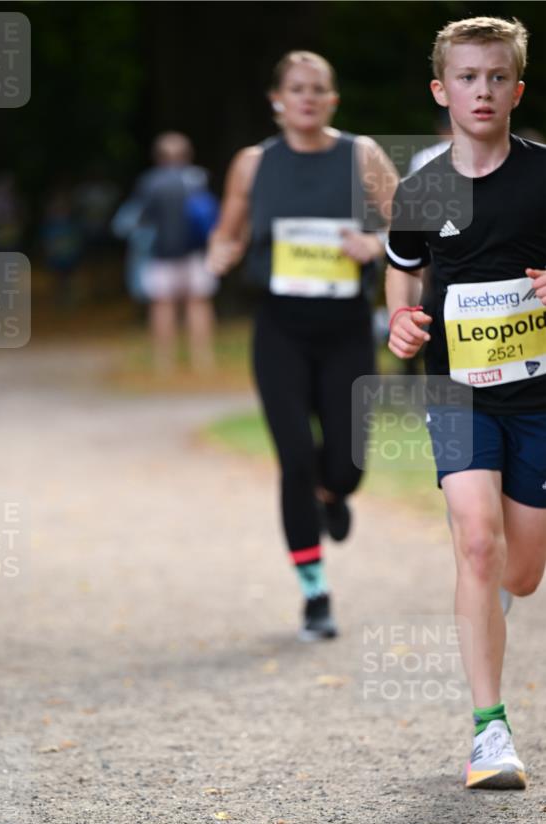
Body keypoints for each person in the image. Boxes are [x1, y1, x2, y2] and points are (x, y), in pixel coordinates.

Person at [386, 16, 546, 789]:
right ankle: (489, 734)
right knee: (475, 543)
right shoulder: (422, 187)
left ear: (516, 88)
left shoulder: (544, 175)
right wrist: (401, 318)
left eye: (495, 78)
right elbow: (402, 267)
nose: (480, 90)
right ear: (440, 89)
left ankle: (496, 606)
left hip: (538, 397)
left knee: (520, 572)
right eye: (466, 77)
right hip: (456, 395)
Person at [207, 51, 398, 640]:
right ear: (277, 100)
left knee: (346, 466)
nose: (308, 98)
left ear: (333, 100)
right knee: (294, 459)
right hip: (280, 330)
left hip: (345, 329)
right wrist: (220, 253)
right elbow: (228, 232)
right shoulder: (253, 163)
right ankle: (315, 596)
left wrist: (375, 244)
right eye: (297, 89)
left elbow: (410, 228)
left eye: (319, 89)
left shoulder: (361, 154)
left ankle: (333, 491)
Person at [133, 132, 218, 373]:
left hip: (161, 254)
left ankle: (164, 362)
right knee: (198, 304)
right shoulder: (198, 178)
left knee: (163, 305)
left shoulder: (150, 182)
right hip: (196, 253)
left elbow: (142, 219)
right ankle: (203, 360)